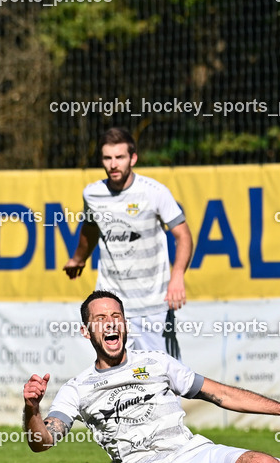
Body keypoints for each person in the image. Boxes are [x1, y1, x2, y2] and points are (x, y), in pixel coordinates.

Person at [21, 290, 280, 463]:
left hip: (196, 457)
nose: (111, 324)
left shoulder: (155, 362)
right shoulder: (77, 388)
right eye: (100, 319)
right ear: (86, 330)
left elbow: (221, 394)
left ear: (126, 324)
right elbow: (43, 441)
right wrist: (32, 409)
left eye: (116, 316)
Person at [63, 127, 192, 359]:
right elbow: (91, 229)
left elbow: (183, 235)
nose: (113, 164)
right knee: (114, 376)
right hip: (111, 307)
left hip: (153, 304)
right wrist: (79, 258)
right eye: (107, 158)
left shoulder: (154, 192)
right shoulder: (92, 194)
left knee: (163, 378)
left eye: (120, 157)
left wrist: (178, 275)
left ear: (133, 158)